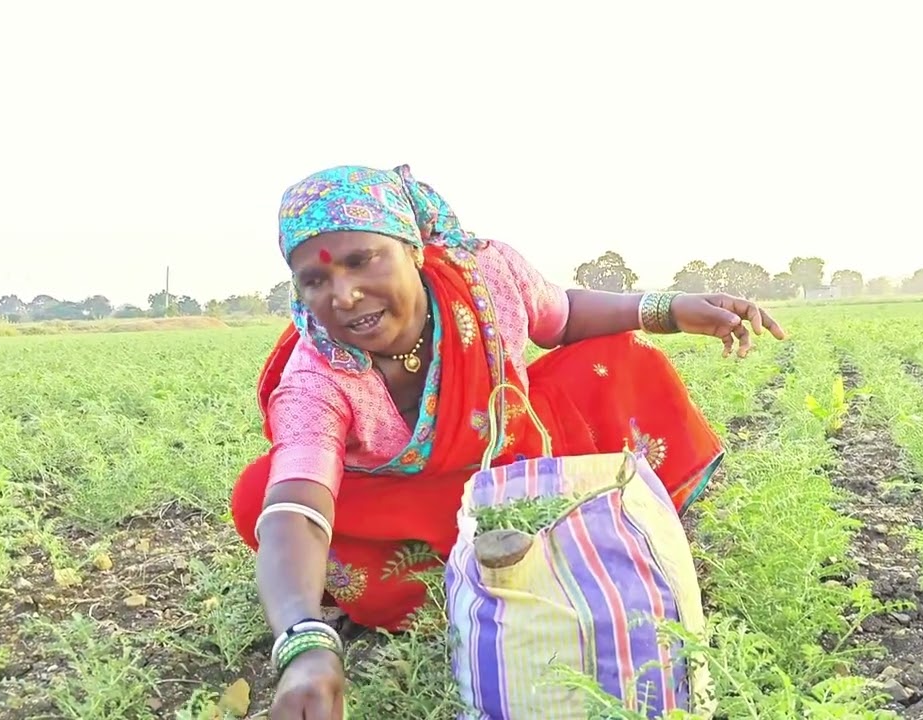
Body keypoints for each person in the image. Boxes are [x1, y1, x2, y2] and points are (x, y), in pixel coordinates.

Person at [229, 164, 786, 719]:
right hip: (412, 513)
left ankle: (615, 535)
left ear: (412, 248)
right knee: (262, 495)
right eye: (315, 280)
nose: (343, 295)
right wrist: (304, 643)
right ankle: (452, 589)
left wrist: (668, 309)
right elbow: (299, 504)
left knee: (623, 359)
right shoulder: (315, 374)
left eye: (361, 260)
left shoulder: (484, 276)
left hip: (522, 461)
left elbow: (562, 317)